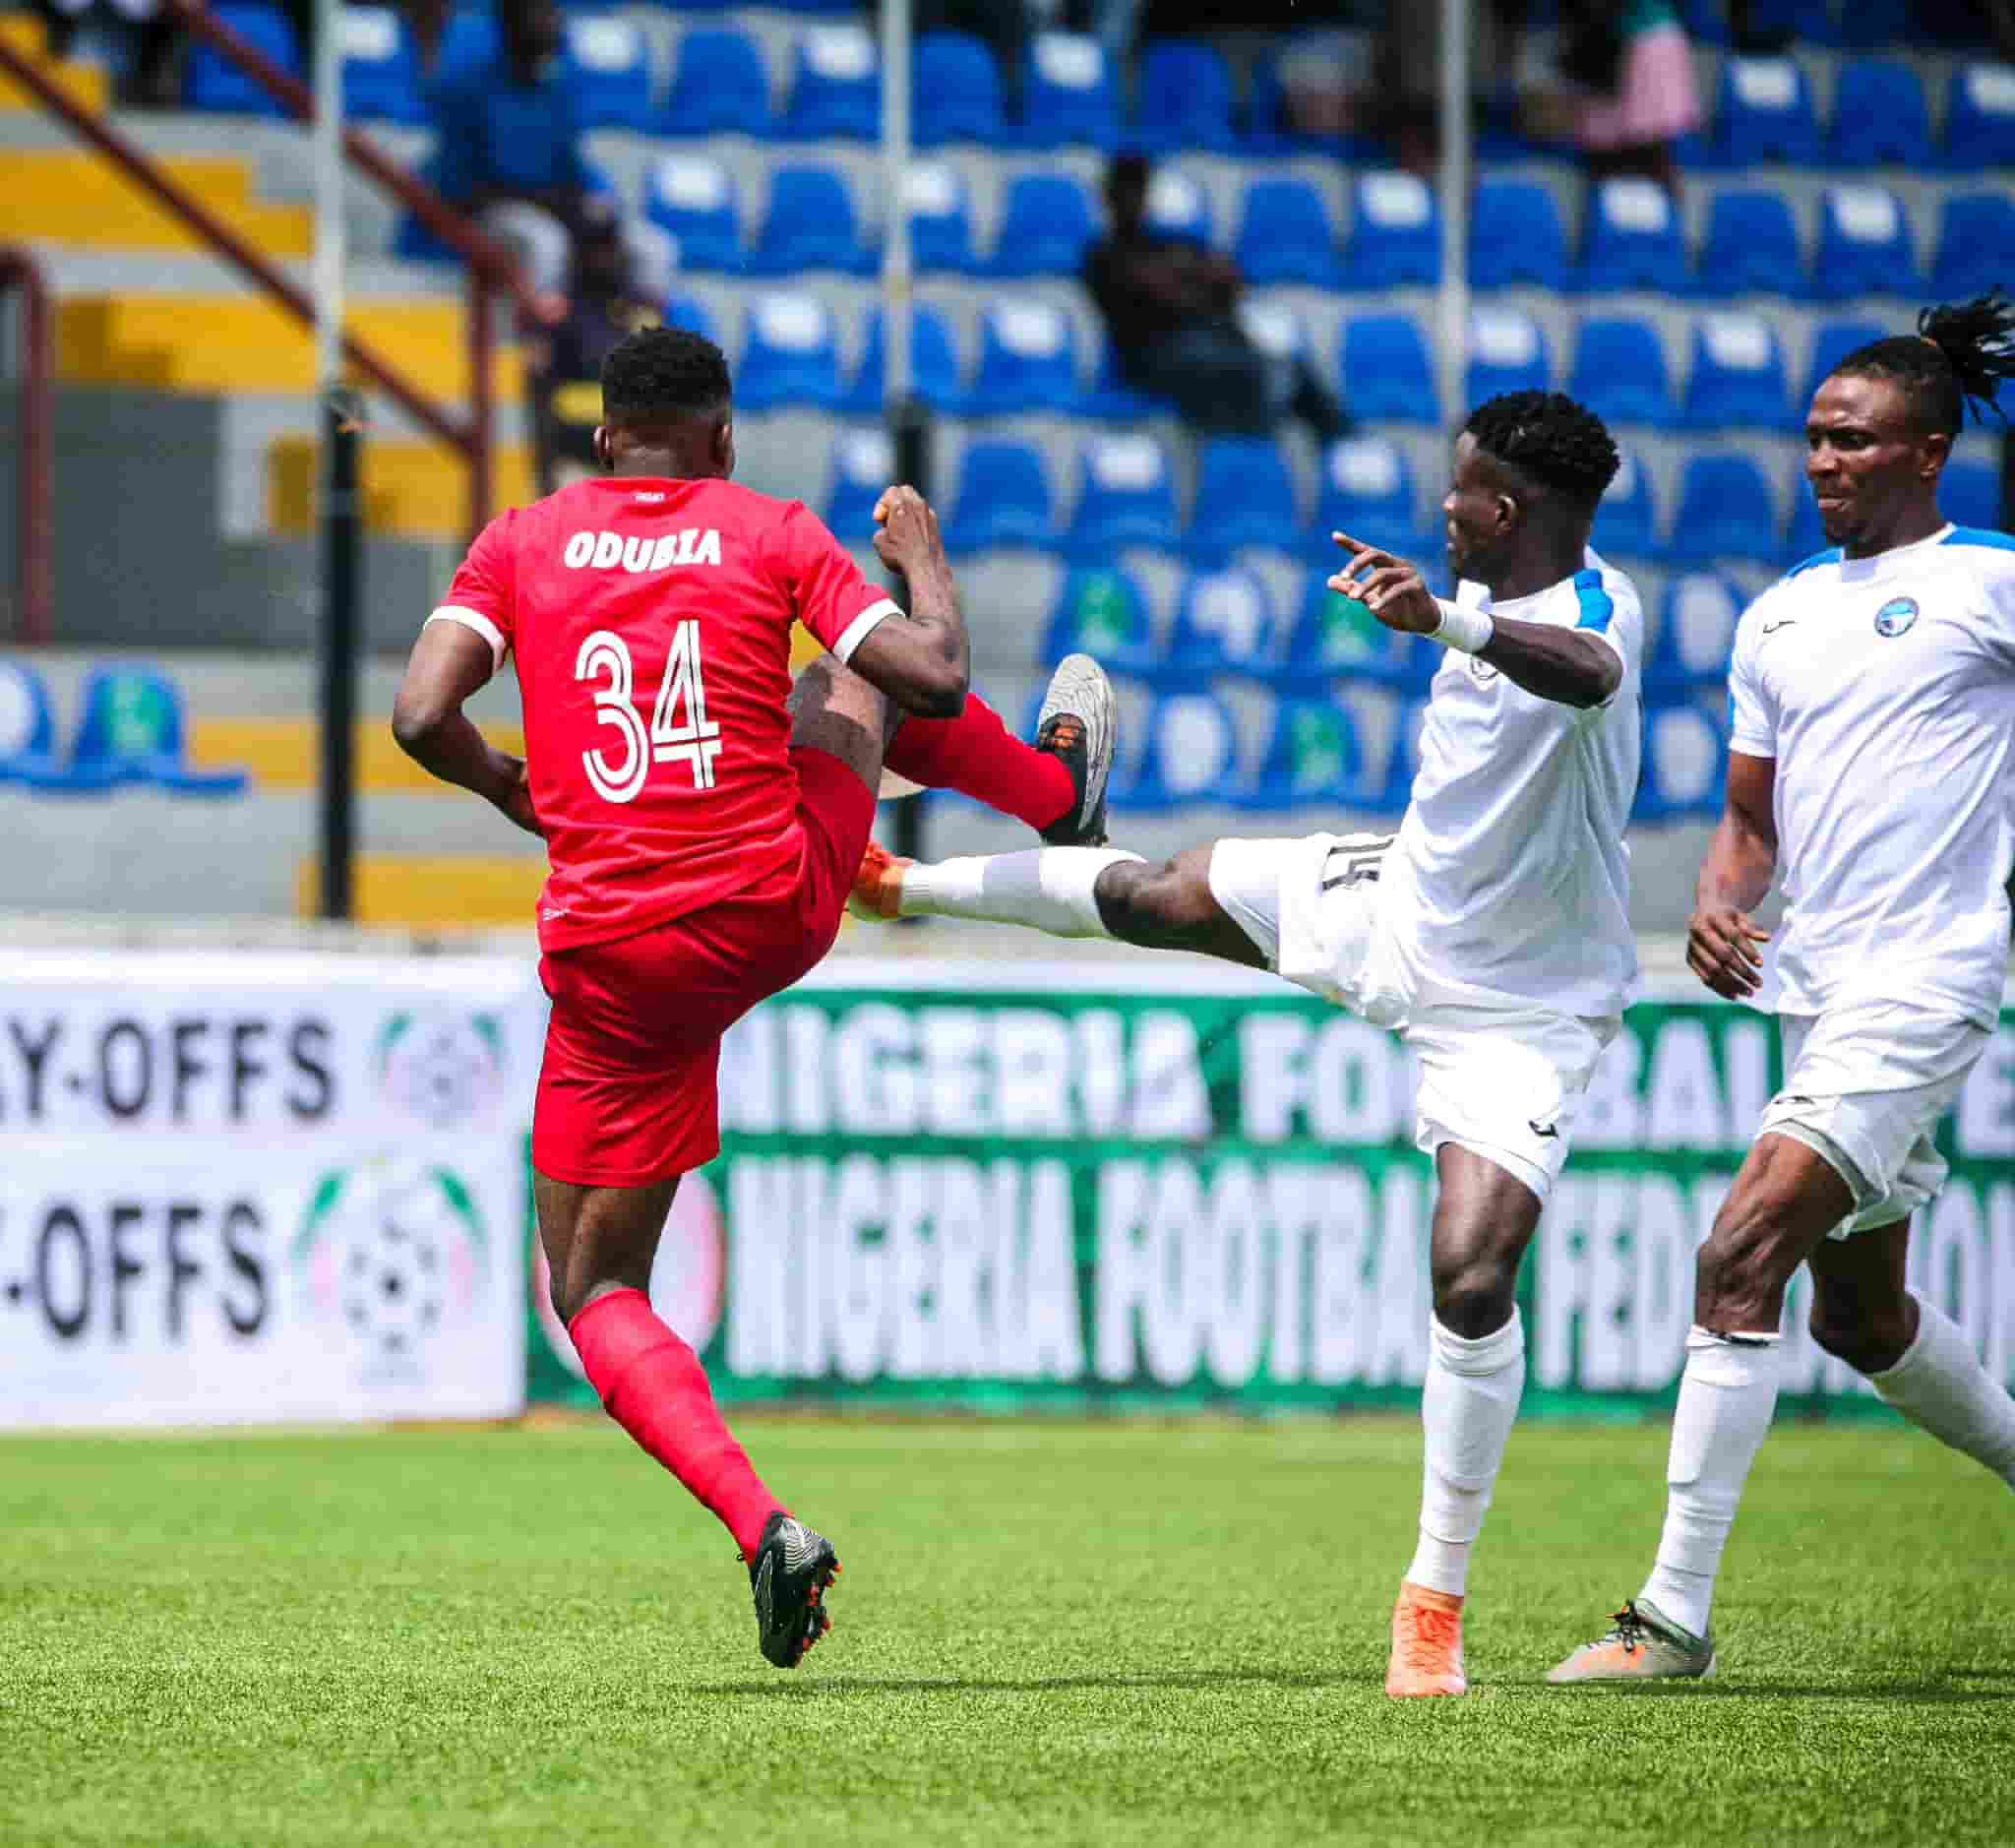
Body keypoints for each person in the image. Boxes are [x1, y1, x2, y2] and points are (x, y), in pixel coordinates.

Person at [852, 392, 1642, 1698]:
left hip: (1518, 1007)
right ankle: (902, 888)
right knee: (1159, 894)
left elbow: (1589, 674)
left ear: (1509, 508)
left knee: (1468, 1273)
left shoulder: (1595, 613)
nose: (1443, 507)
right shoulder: (1490, 591)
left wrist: (1443, 618)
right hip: (1393, 904)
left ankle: (1431, 1599)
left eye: (1462, 492)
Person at [390, 327, 1118, 1669]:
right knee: (843, 682)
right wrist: (919, 556)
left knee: (594, 1286)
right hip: (758, 908)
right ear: (720, 440)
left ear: (606, 435)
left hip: (611, 956)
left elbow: (420, 712)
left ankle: (760, 1521)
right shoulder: (769, 527)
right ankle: (1060, 792)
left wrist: (515, 791)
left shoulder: (520, 538)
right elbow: (936, 675)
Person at [1547, 294, 2015, 1686]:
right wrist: (1719, 899)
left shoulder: (1992, 580)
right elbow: (1751, 821)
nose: (1823, 461)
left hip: (1928, 982)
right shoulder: (1780, 615)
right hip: (1815, 987)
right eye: (1814, 439)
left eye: (1853, 440)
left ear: (1927, 451)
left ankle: (1669, 1618)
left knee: (1737, 1248)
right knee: (1859, 1315)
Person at [1084, 153, 1348, 444]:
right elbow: (1155, 298)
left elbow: (1231, 281)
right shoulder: (1103, 255)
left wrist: (1185, 282)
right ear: (1110, 198)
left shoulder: (1169, 244)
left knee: (1292, 364)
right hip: (1149, 355)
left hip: (1206, 335)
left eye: (1141, 189)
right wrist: (1190, 283)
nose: (1135, 199)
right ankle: (1260, 410)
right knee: (1228, 362)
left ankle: (1344, 447)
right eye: (1127, 190)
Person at [429, 0, 670, 314]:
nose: (551, 23)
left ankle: (647, 350)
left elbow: (573, 172)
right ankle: (539, 350)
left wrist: (593, 208)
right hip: (494, 214)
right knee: (546, 242)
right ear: (511, 23)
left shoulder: (557, 93)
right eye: (539, 14)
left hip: (555, 207)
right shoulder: (470, 90)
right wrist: (548, 202)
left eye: (552, 14)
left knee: (654, 246)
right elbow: (462, 187)